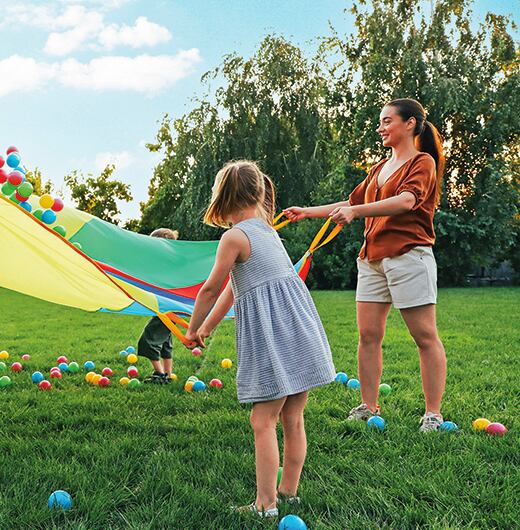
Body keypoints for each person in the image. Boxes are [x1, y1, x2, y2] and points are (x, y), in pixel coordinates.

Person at [283, 98, 447, 432]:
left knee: (424, 336)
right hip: (371, 259)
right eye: (381, 122)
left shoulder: (422, 162)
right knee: (368, 336)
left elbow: (406, 201)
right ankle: (368, 405)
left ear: (410, 124)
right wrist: (307, 211)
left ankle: (432, 413)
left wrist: (356, 213)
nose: (381, 127)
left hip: (408, 256)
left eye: (387, 121)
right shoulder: (379, 168)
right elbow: (353, 202)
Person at [187, 160, 335, 518]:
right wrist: (208, 327)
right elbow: (235, 289)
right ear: (258, 193)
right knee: (293, 417)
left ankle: (265, 505)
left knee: (262, 421)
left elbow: (209, 289)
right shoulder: (268, 232)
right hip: (301, 333)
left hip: (274, 338)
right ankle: (289, 492)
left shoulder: (234, 237)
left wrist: (192, 328)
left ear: (221, 198)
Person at [138, 228, 179, 384]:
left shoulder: (165, 265)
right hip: (170, 308)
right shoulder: (170, 264)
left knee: (148, 339)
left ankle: (160, 374)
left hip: (167, 309)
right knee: (165, 342)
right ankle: (168, 374)